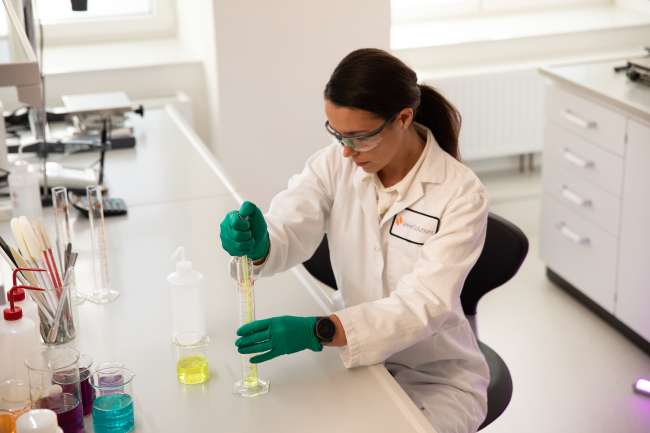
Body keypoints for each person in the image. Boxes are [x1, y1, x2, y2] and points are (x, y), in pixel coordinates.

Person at [219, 48, 489, 433]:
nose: (346, 151)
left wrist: (319, 330)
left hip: (434, 377)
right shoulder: (335, 162)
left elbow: (423, 305)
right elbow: (291, 224)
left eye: (359, 137)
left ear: (404, 118)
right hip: (352, 360)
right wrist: (261, 244)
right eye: (337, 134)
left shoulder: (460, 194)